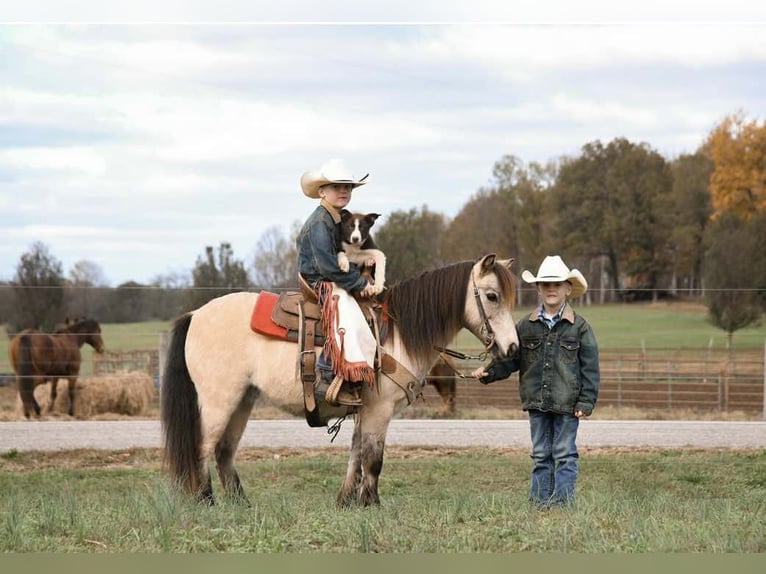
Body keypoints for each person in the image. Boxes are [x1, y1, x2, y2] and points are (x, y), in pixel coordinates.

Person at [471, 255, 599, 509]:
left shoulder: (580, 328)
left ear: (567, 289)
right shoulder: (525, 327)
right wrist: (490, 372)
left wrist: (586, 401)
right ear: (538, 289)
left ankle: (561, 504)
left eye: (557, 284)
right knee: (541, 454)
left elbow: (590, 368)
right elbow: (511, 359)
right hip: (536, 402)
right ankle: (540, 504)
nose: (551, 289)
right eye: (546, 284)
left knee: (564, 454)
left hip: (567, 403)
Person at [296, 158, 378, 407]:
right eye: (336, 186)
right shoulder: (320, 222)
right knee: (344, 310)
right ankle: (327, 371)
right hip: (320, 280)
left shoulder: (336, 219)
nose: (343, 191)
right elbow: (327, 266)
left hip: (331, 276)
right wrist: (360, 284)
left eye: (348, 187)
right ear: (322, 191)